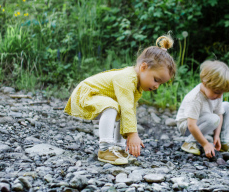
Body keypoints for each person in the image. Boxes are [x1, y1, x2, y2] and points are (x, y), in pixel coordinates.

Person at [64, 35, 176, 165]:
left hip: (97, 97)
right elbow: (127, 107)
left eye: (160, 83)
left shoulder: (136, 84)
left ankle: (118, 148)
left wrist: (131, 133)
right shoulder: (127, 78)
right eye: (156, 80)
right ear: (143, 67)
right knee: (112, 106)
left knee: (123, 111)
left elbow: (128, 112)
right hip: (85, 94)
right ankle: (105, 149)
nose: (157, 86)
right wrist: (133, 134)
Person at [175, 60, 229, 158]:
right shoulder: (195, 98)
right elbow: (191, 125)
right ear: (204, 83)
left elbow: (219, 113)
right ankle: (189, 142)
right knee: (213, 119)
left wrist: (216, 136)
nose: (219, 96)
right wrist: (205, 144)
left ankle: (224, 142)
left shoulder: (217, 94)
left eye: (222, 93)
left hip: (204, 117)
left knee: (227, 106)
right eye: (217, 92)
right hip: (187, 126)